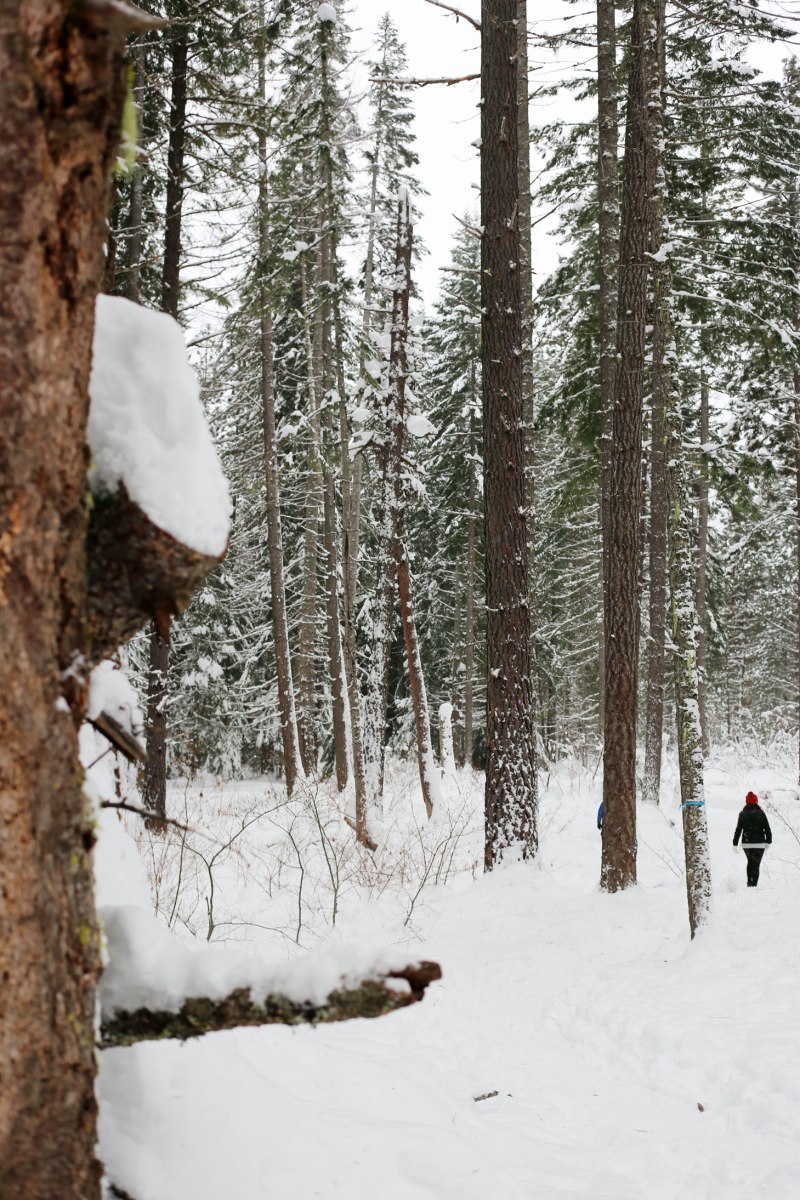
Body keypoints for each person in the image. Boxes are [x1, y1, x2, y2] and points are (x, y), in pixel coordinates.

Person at [733, 791, 772, 887]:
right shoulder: (761, 813)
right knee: (756, 865)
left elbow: (738, 830)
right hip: (759, 843)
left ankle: (749, 884)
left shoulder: (742, 814)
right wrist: (769, 842)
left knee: (750, 863)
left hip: (747, 843)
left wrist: (735, 844)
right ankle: (753, 885)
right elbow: (767, 828)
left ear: (746, 802)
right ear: (756, 801)